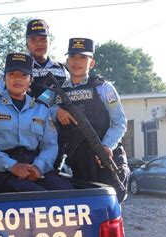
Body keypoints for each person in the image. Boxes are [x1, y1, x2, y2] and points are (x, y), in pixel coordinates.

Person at [0, 53, 73, 193]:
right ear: (4, 78)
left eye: (23, 75)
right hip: (0, 169)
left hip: (33, 166)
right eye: (12, 75)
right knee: (35, 195)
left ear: (30, 80)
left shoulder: (41, 108)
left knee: (67, 191)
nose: (17, 79)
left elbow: (50, 145)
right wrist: (12, 166)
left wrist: (39, 167)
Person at [52, 38, 130, 202]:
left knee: (108, 209)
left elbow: (120, 123)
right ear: (67, 61)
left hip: (103, 157)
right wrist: (55, 110)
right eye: (73, 57)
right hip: (75, 162)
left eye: (83, 57)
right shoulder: (56, 91)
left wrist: (107, 146)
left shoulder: (104, 88)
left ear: (92, 63)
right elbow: (40, 112)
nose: (77, 61)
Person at [0, 19, 69, 107]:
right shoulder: (13, 70)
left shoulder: (62, 70)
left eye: (43, 39)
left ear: (50, 42)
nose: (39, 43)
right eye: (33, 40)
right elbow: (2, 101)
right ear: (27, 45)